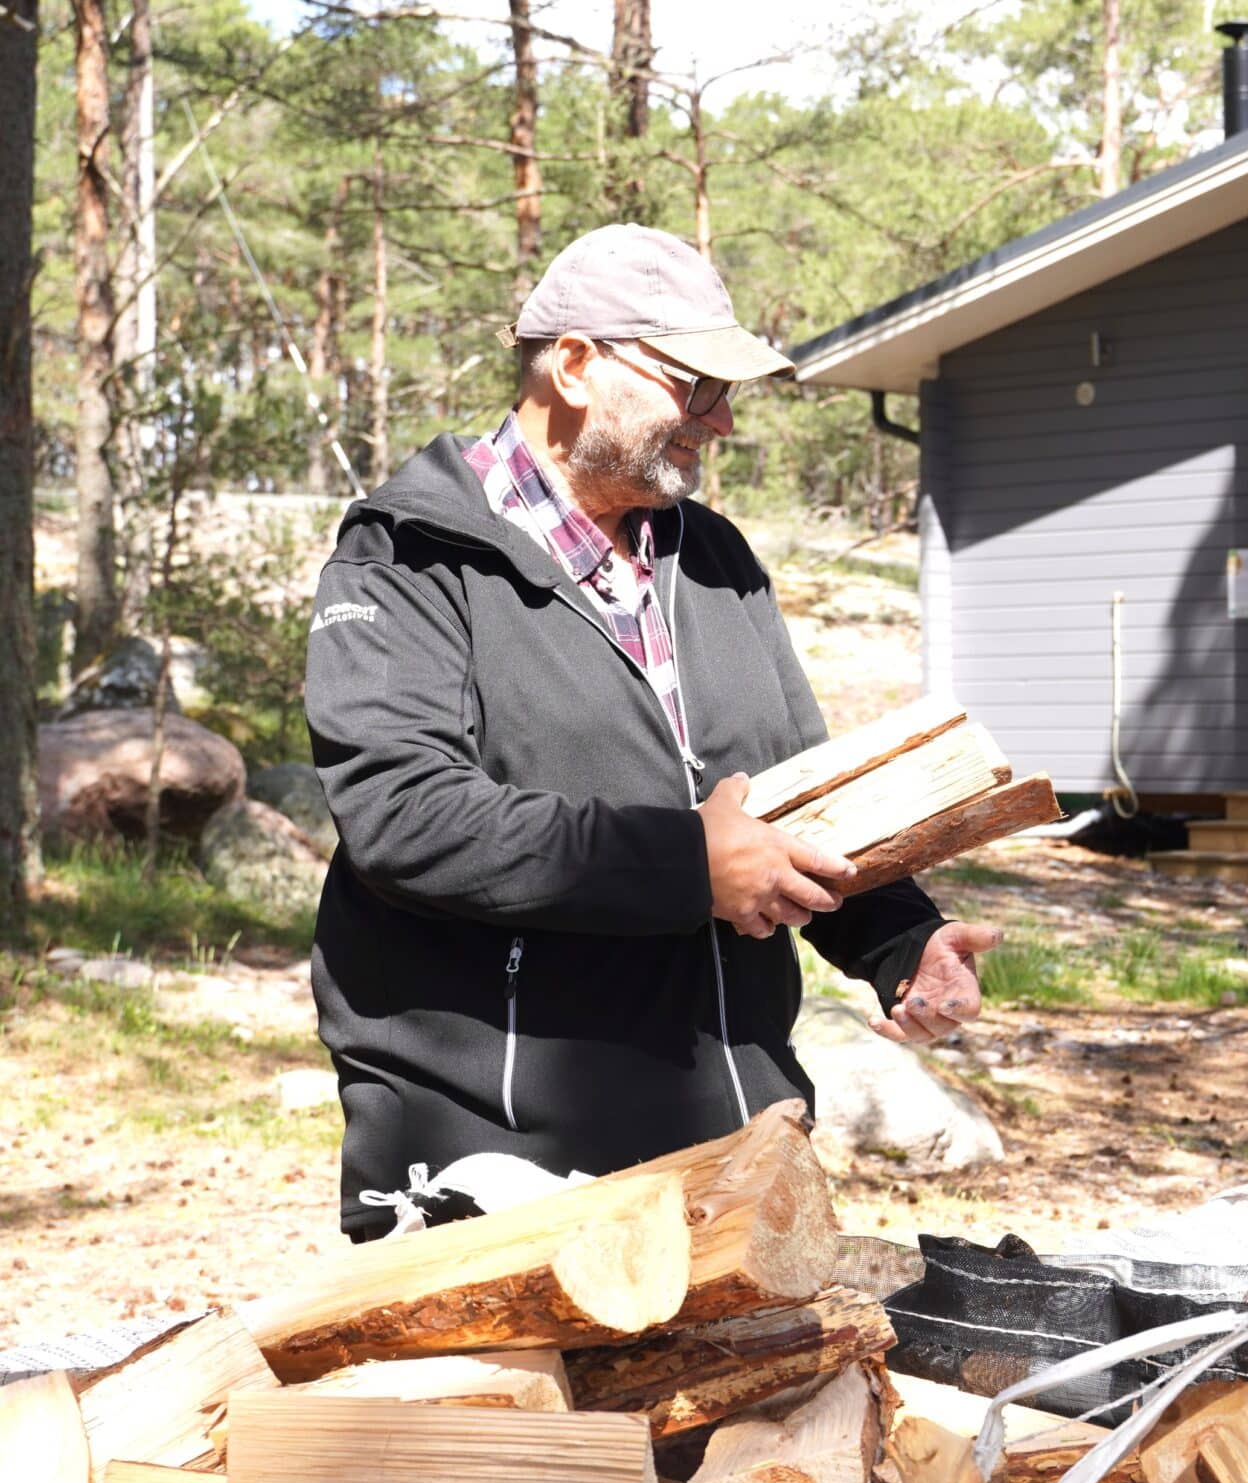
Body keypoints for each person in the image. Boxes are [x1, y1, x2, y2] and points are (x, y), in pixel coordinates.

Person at [304, 224, 1000, 1241]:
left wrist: (901, 941)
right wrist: (687, 864)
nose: (717, 422)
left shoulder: (713, 556)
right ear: (576, 365)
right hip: (494, 1150)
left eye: (727, 394)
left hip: (737, 1127)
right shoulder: (407, 556)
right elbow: (403, 816)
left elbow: (798, 798)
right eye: (693, 386)